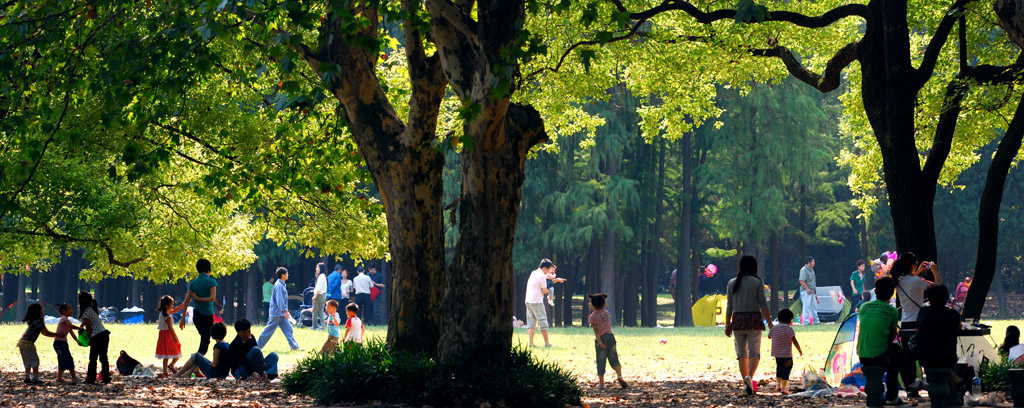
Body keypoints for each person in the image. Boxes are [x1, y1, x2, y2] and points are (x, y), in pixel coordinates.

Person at [725, 255, 773, 395]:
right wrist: (770, 324)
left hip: (738, 321)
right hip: (754, 320)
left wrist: (727, 325)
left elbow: (730, 306)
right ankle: (750, 377)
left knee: (741, 353)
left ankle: (745, 383)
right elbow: (763, 305)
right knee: (754, 352)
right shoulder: (757, 282)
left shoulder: (732, 283)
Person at [892, 253, 939, 396]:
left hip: (905, 323)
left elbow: (911, 280)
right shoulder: (917, 281)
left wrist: (917, 270)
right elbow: (937, 288)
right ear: (912, 265)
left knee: (909, 358)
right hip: (920, 323)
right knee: (928, 354)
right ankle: (933, 387)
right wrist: (934, 272)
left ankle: (912, 390)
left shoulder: (898, 281)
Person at [857, 277, 902, 407]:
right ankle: (892, 395)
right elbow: (892, 335)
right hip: (879, 356)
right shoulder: (892, 311)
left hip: (862, 354)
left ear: (875, 291)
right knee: (896, 353)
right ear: (892, 293)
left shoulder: (864, 307)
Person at [916, 284, 963, 403]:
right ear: (946, 297)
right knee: (948, 357)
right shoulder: (952, 314)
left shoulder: (923, 312)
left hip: (925, 358)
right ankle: (953, 393)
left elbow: (917, 330)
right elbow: (959, 327)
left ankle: (950, 383)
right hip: (948, 358)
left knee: (936, 354)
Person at [588, 293, 628, 389]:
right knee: (614, 358)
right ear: (604, 303)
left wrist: (600, 342)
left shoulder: (592, 317)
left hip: (601, 339)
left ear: (592, 304)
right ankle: (619, 376)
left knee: (601, 361)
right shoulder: (606, 313)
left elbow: (597, 331)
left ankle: (601, 383)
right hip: (611, 337)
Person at [179, 258, 218, 355]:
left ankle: (196, 365)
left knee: (204, 339)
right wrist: (200, 299)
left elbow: (186, 301)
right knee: (205, 341)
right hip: (207, 315)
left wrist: (183, 318)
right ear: (209, 270)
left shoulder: (193, 283)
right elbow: (212, 298)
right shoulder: (211, 281)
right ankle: (195, 363)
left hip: (196, 315)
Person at [257, 267, 300, 350]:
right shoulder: (279, 285)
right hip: (277, 313)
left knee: (288, 329)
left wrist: (285, 312)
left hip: (281, 313)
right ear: (283, 275)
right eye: (287, 273)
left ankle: (294, 346)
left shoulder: (282, 284)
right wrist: (285, 311)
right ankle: (257, 346)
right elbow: (280, 300)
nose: (288, 275)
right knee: (269, 330)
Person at [79, 291, 111, 384]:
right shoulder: (92, 309)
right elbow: (86, 323)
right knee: (103, 358)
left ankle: (90, 379)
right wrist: (81, 326)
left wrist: (90, 339)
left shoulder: (85, 312)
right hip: (104, 334)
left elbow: (88, 328)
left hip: (96, 336)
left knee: (93, 359)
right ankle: (106, 378)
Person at [768, 308, 803, 394]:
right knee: (786, 370)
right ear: (790, 319)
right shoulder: (789, 329)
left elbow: (769, 336)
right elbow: (794, 340)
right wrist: (799, 350)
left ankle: (778, 385)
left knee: (779, 369)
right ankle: (784, 388)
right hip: (787, 355)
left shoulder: (774, 328)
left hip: (777, 354)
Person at [20, 303, 56, 384]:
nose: (43, 310)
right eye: (42, 309)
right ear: (38, 311)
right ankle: (35, 378)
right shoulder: (39, 321)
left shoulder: (33, 321)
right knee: (35, 360)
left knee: (27, 361)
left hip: (22, 342)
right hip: (28, 343)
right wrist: (57, 334)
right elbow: (45, 332)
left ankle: (27, 377)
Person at [525, 259, 554, 347]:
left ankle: (531, 343)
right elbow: (544, 290)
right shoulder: (542, 276)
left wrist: (555, 281)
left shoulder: (534, 272)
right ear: (544, 268)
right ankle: (547, 343)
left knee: (531, 323)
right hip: (537, 302)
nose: (548, 273)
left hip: (528, 300)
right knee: (543, 321)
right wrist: (550, 292)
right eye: (548, 270)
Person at [155, 295, 183, 376]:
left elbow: (174, 310)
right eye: (172, 305)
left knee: (166, 355)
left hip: (163, 335)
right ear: (167, 306)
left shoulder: (164, 312)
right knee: (176, 350)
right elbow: (170, 328)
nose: (173, 306)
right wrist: (174, 337)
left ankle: (165, 371)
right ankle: (171, 365)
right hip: (168, 335)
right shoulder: (167, 316)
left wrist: (182, 305)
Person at [53, 303, 80, 384]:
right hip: (60, 343)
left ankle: (66, 377)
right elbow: (71, 326)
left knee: (66, 359)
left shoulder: (67, 320)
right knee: (65, 359)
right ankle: (65, 378)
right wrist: (80, 328)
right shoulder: (64, 319)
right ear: (63, 311)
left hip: (62, 343)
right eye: (69, 309)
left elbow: (71, 332)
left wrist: (77, 341)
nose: (71, 310)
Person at [798, 256, 819, 325]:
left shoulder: (812, 270)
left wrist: (816, 294)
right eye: (813, 262)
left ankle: (816, 321)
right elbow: (801, 281)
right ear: (808, 263)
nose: (814, 263)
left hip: (812, 291)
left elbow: (813, 282)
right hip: (806, 291)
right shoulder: (803, 270)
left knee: (814, 306)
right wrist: (807, 289)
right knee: (806, 306)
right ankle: (806, 322)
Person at [312, 263, 328, 330]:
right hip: (323, 295)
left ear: (320, 268)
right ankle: (323, 326)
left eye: (317, 267)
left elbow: (319, 288)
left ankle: (314, 325)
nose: (316, 269)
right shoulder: (323, 276)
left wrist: (315, 296)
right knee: (321, 311)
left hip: (319, 295)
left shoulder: (321, 276)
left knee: (315, 311)